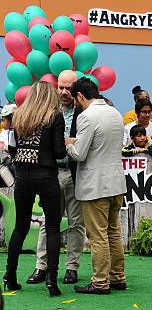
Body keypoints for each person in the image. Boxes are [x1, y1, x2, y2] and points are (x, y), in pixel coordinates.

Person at [3, 81, 66, 296]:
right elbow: (59, 152)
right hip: (46, 176)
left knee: (20, 227)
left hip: (22, 176)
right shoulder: (54, 117)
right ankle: (51, 279)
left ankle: (9, 274)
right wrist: (66, 142)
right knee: (52, 229)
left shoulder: (19, 116)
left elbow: (12, 148)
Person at [65, 78, 127, 295]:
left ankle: (100, 282)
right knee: (113, 232)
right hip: (116, 182)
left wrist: (69, 144)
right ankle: (117, 276)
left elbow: (80, 154)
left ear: (80, 96)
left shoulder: (86, 116)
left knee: (97, 235)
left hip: (95, 185)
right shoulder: (115, 112)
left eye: (75, 99)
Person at [27, 70, 85, 286]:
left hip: (75, 172)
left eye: (68, 88)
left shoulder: (83, 112)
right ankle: (41, 267)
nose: (63, 92)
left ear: (76, 89)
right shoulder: (48, 111)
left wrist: (71, 142)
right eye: (60, 87)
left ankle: (72, 268)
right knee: (47, 223)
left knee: (77, 223)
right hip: (51, 173)